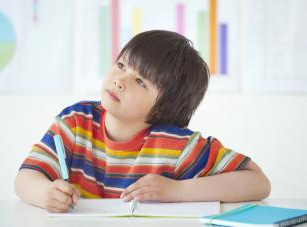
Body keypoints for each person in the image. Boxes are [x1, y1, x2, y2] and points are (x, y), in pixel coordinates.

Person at [14, 30, 271, 213]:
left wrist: (178, 191)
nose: (119, 81)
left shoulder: (176, 145)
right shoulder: (75, 122)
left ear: (164, 107)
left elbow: (257, 182)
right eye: (122, 65)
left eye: (140, 81)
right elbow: (25, 178)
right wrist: (45, 194)